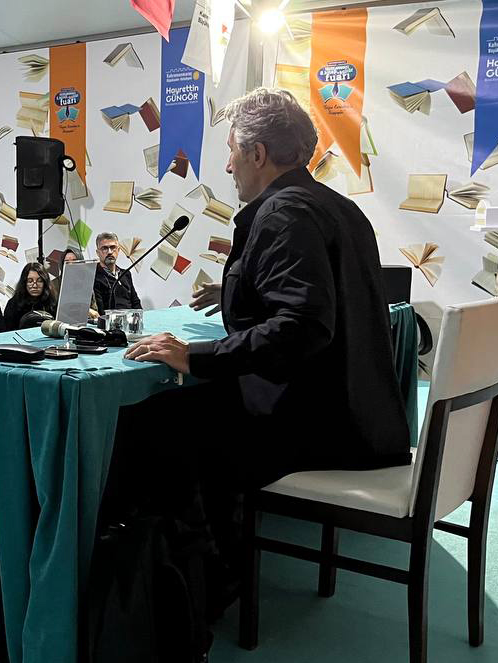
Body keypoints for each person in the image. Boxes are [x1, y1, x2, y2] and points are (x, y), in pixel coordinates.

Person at [121, 87, 410, 535]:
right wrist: (239, 287)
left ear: (257, 154)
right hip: (363, 420)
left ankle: (186, 564)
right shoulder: (341, 207)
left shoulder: (283, 213)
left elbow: (302, 326)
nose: (228, 166)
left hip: (318, 432)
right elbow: (326, 292)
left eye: (232, 151)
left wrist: (195, 356)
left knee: (146, 417)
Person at [92, 232, 142, 311]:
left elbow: (136, 303)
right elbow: (100, 310)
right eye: (104, 248)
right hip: (110, 318)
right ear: (98, 253)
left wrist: (139, 316)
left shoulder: (125, 274)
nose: (109, 252)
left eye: (113, 247)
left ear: (118, 250)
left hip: (131, 317)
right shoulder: (94, 276)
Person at [2, 262, 56, 330]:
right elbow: (8, 331)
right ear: (24, 283)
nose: (35, 285)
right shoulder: (13, 304)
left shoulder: (53, 304)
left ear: (45, 283)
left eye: (39, 281)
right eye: (30, 281)